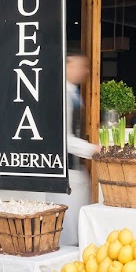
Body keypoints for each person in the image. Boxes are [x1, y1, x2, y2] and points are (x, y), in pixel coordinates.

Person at [55, 52, 98, 246]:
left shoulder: (73, 92)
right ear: (68, 65)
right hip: (65, 171)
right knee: (68, 230)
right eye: (82, 66)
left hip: (76, 170)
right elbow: (61, 137)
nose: (87, 71)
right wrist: (93, 150)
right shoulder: (60, 95)